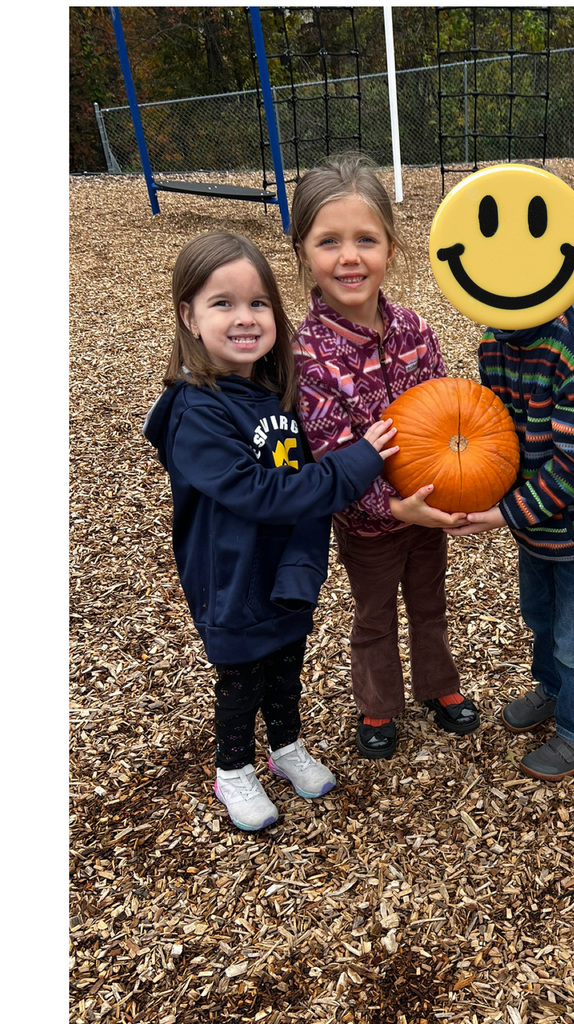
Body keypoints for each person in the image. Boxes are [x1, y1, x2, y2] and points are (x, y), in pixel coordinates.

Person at [144, 231, 399, 832]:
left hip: (285, 567)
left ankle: (284, 748)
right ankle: (232, 769)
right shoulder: (195, 411)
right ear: (189, 315)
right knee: (242, 676)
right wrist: (356, 463)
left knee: (286, 661)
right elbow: (261, 493)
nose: (244, 317)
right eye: (222, 303)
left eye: (258, 303)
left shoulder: (271, 391)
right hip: (231, 573)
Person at [288, 152, 479, 761]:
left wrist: (449, 496)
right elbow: (330, 454)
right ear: (304, 254)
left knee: (429, 603)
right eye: (330, 242)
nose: (350, 257)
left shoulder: (414, 330)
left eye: (366, 239)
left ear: (390, 250)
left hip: (429, 505)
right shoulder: (307, 357)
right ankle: (378, 702)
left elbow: (450, 416)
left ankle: (439, 686)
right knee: (373, 615)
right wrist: (394, 506)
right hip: (368, 521)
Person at [448, 298, 574, 782]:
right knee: (541, 619)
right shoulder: (495, 339)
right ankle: (552, 688)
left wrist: (501, 513)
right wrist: (473, 485)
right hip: (536, 528)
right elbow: (498, 432)